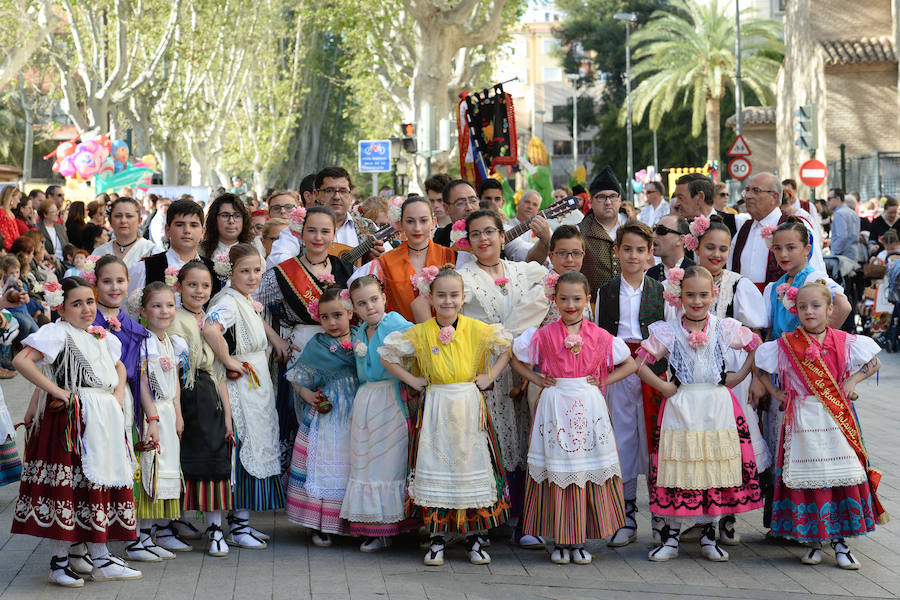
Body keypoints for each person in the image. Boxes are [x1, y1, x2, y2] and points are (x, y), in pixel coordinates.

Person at [12, 277, 142, 586]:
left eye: (90, 302)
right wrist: (58, 392)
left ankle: (99, 558)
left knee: (94, 487)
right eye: (77, 303)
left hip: (103, 416)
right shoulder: (57, 333)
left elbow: (120, 366)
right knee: (68, 489)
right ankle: (60, 563)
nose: (86, 309)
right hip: (73, 420)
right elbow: (22, 361)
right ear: (61, 307)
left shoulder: (100, 336)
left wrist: (119, 394)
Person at [380, 266, 513, 566]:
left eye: (454, 295)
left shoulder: (478, 329)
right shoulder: (421, 332)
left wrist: (489, 375)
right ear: (430, 297)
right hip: (437, 406)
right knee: (436, 466)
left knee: (470, 467)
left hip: (468, 405)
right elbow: (387, 354)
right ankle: (437, 538)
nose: (448, 301)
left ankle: (474, 538)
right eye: (441, 295)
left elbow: (506, 347)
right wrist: (413, 380)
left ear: (463, 298)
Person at [755, 281, 887, 569]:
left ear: (830, 309)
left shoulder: (843, 340)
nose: (808, 311)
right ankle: (814, 541)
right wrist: (776, 393)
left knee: (840, 476)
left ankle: (840, 542)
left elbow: (874, 362)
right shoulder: (786, 344)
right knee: (808, 477)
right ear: (795, 310)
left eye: (815, 306)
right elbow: (760, 366)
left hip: (835, 419)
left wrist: (851, 381)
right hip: (801, 420)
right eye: (802, 307)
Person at [636, 266, 763, 562]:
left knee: (711, 469)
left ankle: (709, 535)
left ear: (713, 295)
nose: (697, 300)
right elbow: (640, 363)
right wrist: (664, 387)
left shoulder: (723, 326)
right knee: (679, 467)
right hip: (681, 406)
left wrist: (739, 375)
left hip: (716, 405)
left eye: (703, 295)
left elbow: (756, 345)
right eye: (690, 294)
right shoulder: (668, 330)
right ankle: (671, 537)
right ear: (679, 296)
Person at [511, 271, 635, 565]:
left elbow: (630, 363)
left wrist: (603, 381)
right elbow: (515, 359)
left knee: (582, 469)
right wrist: (537, 379)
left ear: (587, 300)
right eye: (563, 298)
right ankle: (559, 538)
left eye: (577, 299)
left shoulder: (600, 336)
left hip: (588, 404)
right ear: (553, 300)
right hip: (555, 406)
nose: (570, 304)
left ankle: (578, 539)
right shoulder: (542, 336)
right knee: (558, 468)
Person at [458, 209, 550, 547]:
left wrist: (526, 358)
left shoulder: (525, 271)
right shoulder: (462, 277)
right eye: (477, 234)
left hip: (522, 366)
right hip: (483, 368)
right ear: (468, 241)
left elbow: (544, 308)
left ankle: (528, 519)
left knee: (526, 437)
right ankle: (491, 516)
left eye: (490, 232)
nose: (484, 239)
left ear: (502, 235)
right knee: (489, 437)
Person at [690, 214, 771, 544]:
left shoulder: (739, 284)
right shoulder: (684, 281)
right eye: (710, 247)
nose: (717, 255)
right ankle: (705, 515)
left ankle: (728, 517)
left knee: (731, 446)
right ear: (696, 246)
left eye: (723, 249)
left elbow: (755, 335)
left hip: (732, 378)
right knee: (703, 444)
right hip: (696, 378)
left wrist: (755, 378)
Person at [205, 244, 289, 548]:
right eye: (245, 271)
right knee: (241, 449)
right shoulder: (227, 301)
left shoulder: (243, 299)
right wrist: (228, 361)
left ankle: (241, 522)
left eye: (256, 270)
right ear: (231, 271)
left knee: (256, 442)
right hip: (241, 382)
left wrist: (273, 338)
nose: (252, 276)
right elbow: (211, 329)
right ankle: (233, 527)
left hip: (256, 380)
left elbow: (254, 318)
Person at [595, 220, 670, 547]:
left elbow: (668, 333)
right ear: (617, 251)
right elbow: (601, 335)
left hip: (653, 368)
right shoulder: (605, 291)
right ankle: (626, 514)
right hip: (620, 368)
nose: (634, 256)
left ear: (650, 253)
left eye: (641, 250)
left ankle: (659, 513)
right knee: (623, 438)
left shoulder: (661, 291)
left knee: (655, 438)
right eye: (627, 249)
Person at [339, 276, 417, 551]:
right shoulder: (360, 332)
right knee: (366, 459)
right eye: (362, 303)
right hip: (366, 397)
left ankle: (391, 525)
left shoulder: (394, 323)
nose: (370, 306)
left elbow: (417, 341)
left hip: (389, 395)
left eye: (374, 299)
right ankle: (373, 525)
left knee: (388, 460)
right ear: (354, 309)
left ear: (384, 298)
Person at [284, 286, 359, 545]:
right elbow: (296, 377)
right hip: (329, 413)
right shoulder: (318, 344)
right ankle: (319, 524)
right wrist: (306, 394)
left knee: (354, 465)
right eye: (325, 317)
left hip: (359, 413)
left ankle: (357, 522)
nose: (331, 322)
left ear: (351, 313)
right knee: (325, 463)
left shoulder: (363, 338)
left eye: (337, 315)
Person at [169, 261, 234, 557]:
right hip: (183, 395)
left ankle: (215, 528)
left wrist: (229, 417)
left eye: (205, 285)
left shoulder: (210, 320)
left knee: (215, 458)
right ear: (179, 285)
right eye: (192, 284)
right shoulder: (173, 319)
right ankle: (172, 522)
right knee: (181, 461)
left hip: (210, 398)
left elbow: (219, 371)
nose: (199, 290)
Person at [127, 283, 187, 563]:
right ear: (142, 310)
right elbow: (141, 382)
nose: (164, 311)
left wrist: (178, 413)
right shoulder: (144, 342)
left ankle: (150, 535)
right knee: (149, 471)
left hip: (168, 411)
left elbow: (174, 381)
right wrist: (151, 416)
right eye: (157, 305)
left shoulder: (172, 342)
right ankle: (137, 538)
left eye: (170, 305)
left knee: (165, 472)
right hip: (151, 414)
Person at [349, 196, 456, 323]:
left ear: (433, 223)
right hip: (400, 338)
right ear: (400, 224)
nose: (417, 228)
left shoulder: (451, 257)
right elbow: (354, 289)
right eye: (410, 221)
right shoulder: (385, 263)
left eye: (423, 221)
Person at [730, 172, 826, 292]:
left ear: (774, 197)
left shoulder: (795, 225)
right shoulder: (744, 229)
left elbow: (816, 271)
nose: (748, 196)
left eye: (756, 190)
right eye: (747, 190)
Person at [128, 199, 219, 296]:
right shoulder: (145, 268)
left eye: (193, 225)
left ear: (202, 232)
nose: (187, 230)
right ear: (167, 230)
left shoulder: (213, 270)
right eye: (180, 224)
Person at [579, 166, 623, 299]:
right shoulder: (579, 232)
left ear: (620, 200)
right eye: (601, 197)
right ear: (591, 202)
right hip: (592, 307)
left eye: (613, 196)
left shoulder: (633, 229)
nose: (608, 202)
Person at [200, 193, 264, 268]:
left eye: (237, 216)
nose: (231, 221)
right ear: (214, 219)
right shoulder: (201, 251)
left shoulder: (253, 250)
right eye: (225, 215)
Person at [93, 197, 161, 268]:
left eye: (129, 216)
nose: (123, 221)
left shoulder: (151, 251)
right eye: (118, 216)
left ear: (140, 221)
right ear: (110, 220)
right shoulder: (100, 252)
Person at [672, 173, 737, 235]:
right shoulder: (679, 229)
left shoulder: (736, 223)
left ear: (700, 197)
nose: (677, 203)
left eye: (680, 198)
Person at [503, 190, 552, 263]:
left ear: (538, 210)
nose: (530, 206)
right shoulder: (506, 225)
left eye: (534, 204)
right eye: (527, 202)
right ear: (519, 203)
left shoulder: (544, 229)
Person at [433, 179, 480, 247]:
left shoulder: (492, 236)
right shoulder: (437, 242)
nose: (469, 208)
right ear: (446, 208)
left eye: (473, 201)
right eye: (460, 203)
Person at [646, 215, 693, 282]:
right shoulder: (651, 274)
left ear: (680, 240)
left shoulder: (695, 272)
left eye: (661, 230)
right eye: (654, 229)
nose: (653, 235)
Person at [827, 187, 865, 263]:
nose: (827, 202)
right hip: (854, 255)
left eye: (829, 199)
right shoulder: (853, 213)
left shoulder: (839, 213)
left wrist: (834, 252)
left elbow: (842, 237)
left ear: (837, 198)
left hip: (843, 258)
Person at [36, 199, 68, 264]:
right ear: (45, 214)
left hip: (64, 262)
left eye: (57, 211)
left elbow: (67, 245)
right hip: (48, 263)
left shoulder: (60, 228)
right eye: (53, 212)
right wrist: (48, 256)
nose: (57, 214)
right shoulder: (38, 228)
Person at [0, 186, 23, 250]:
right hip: (9, 252)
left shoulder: (10, 214)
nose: (19, 201)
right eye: (18, 198)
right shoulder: (2, 213)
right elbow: (4, 237)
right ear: (11, 197)